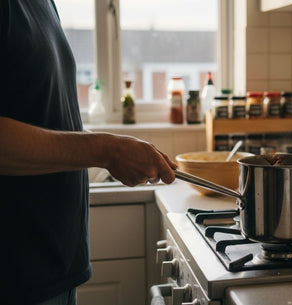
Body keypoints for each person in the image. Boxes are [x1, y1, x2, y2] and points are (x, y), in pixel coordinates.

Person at [0, 1, 177, 304]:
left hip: (60, 268)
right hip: (16, 277)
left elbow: (45, 117)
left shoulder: (43, 4)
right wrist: (106, 150)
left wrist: (118, 148)